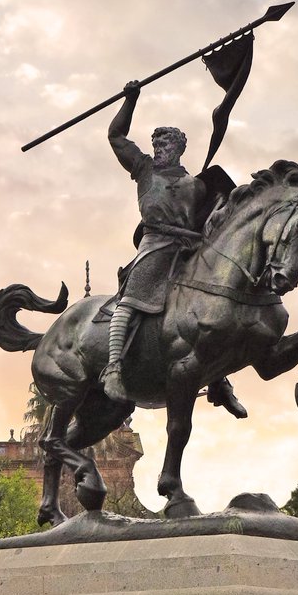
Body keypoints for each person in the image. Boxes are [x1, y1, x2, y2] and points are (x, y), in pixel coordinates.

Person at [101, 81, 248, 420]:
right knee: (132, 299)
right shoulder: (144, 170)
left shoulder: (197, 185)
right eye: (155, 142)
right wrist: (130, 100)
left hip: (188, 247)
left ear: (180, 146)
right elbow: (116, 137)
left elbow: (213, 221)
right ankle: (112, 367)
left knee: (213, 309)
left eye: (165, 142)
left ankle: (219, 382)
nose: (158, 147)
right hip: (155, 245)